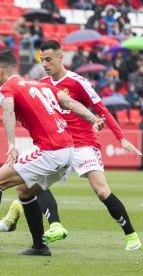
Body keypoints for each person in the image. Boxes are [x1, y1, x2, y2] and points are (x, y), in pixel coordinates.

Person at [0, 50, 104, 255]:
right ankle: (40, 247)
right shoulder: (40, 84)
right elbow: (68, 102)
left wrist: (11, 143)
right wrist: (94, 119)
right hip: (69, 149)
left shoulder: (8, 88)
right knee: (24, 189)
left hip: (51, 148)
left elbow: (8, 111)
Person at [38, 40, 142, 251]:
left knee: (102, 191)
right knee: (35, 184)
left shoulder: (78, 82)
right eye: (42, 60)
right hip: (59, 145)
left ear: (60, 58)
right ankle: (56, 226)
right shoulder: (42, 84)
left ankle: (131, 236)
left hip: (83, 143)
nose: (45, 64)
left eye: (48, 59)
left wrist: (120, 137)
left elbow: (101, 109)